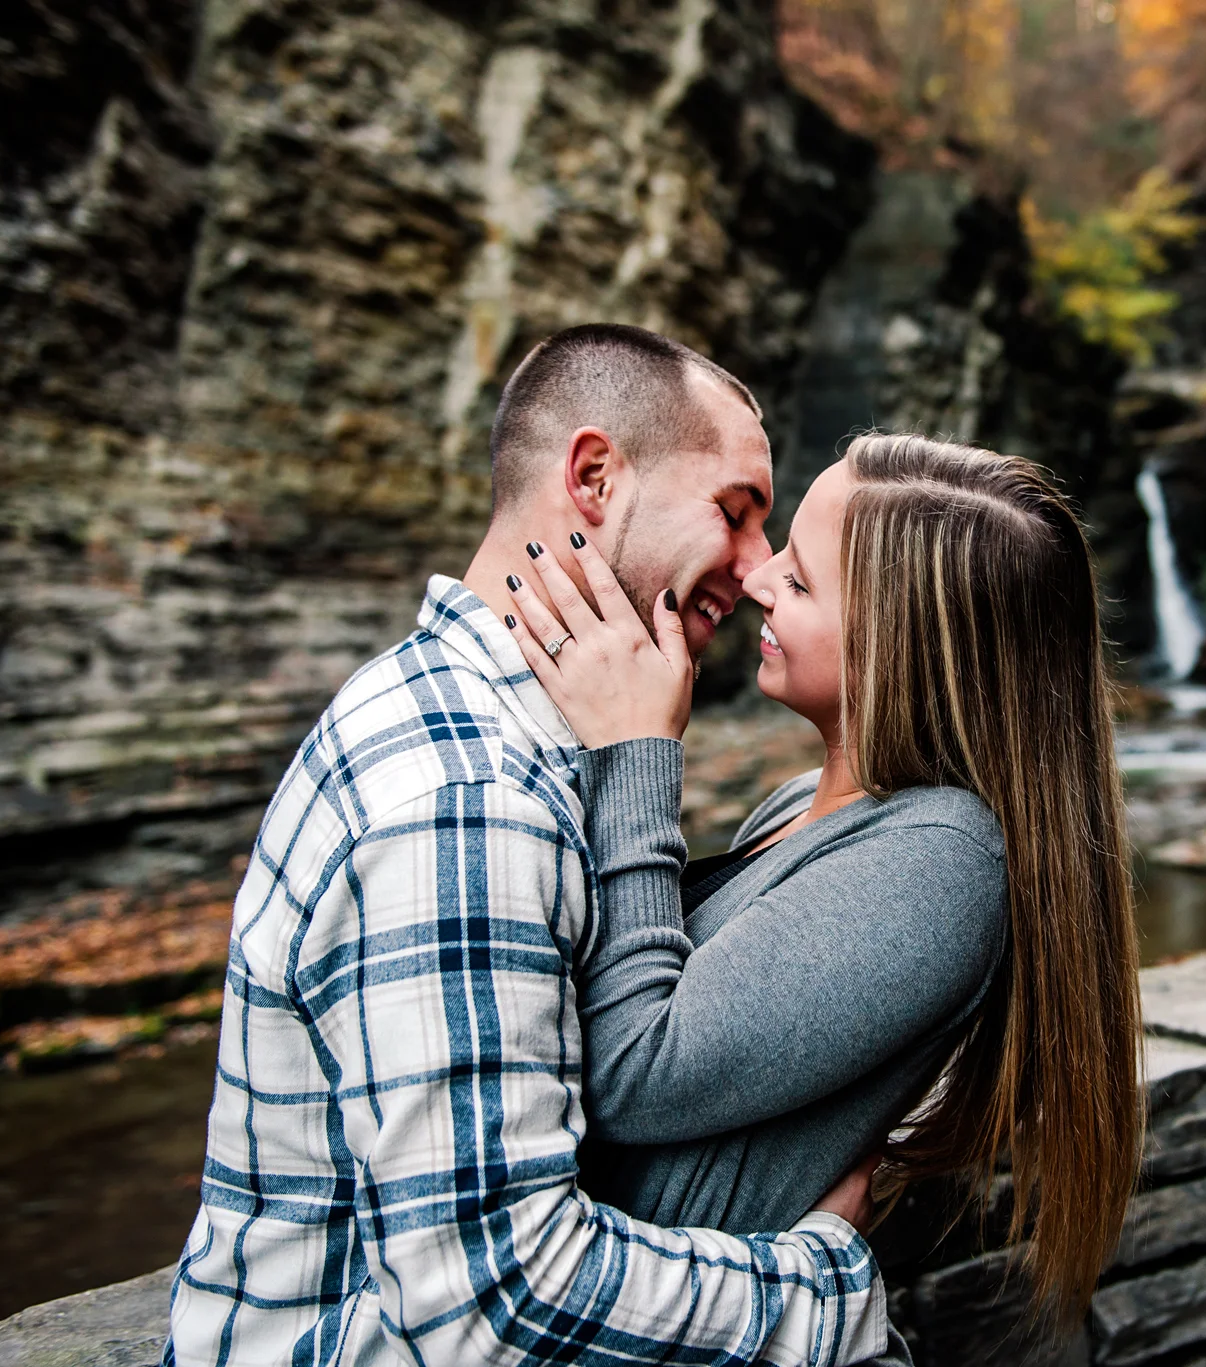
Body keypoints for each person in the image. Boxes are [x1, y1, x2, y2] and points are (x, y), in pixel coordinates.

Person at [164, 325, 890, 1367]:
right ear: (593, 475)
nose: (754, 569)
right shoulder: (465, 798)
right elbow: (494, 1300)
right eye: (733, 513)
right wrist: (823, 1283)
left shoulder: (468, 721)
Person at [501, 432, 1146, 1334]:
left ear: (902, 647)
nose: (759, 580)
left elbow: (635, 1069)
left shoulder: (944, 858)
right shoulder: (799, 805)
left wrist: (637, 750)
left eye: (799, 581)